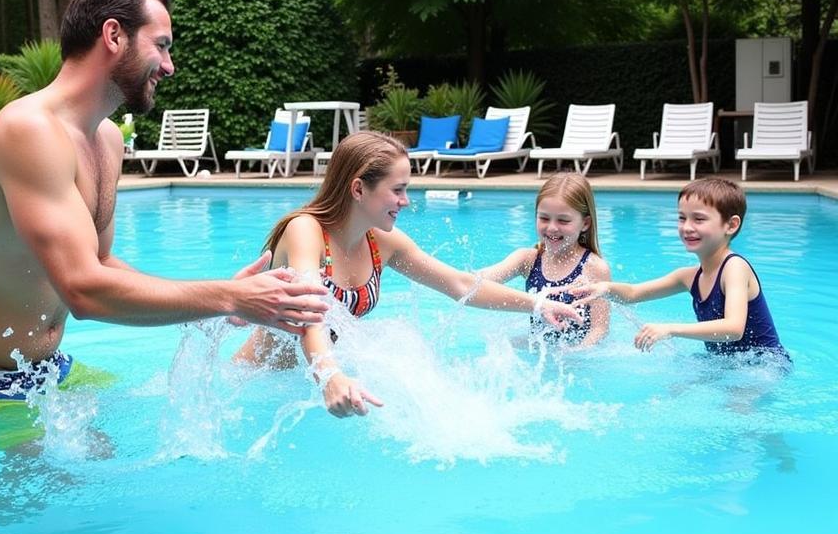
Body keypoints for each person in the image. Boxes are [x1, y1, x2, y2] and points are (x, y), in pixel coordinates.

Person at [0, 0, 328, 408]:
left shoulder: (107, 141)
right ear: (113, 35)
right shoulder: (30, 131)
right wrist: (230, 297)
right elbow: (83, 290)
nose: (169, 66)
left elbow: (98, 263)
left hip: (43, 372)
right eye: (162, 45)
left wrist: (216, 299)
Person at [233, 132, 583, 418]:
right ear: (358, 189)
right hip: (256, 385)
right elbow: (310, 311)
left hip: (315, 381)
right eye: (397, 189)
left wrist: (536, 305)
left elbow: (461, 285)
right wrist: (329, 375)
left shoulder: (381, 242)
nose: (406, 201)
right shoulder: (305, 230)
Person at [571, 177, 789, 361]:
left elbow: (734, 328)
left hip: (764, 364)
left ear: (731, 225)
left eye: (699, 219)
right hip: (726, 364)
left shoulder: (735, 268)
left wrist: (670, 329)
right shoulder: (689, 277)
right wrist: (604, 288)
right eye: (682, 218)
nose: (687, 227)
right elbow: (634, 294)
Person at [477, 171, 610, 349]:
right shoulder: (528, 259)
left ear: (585, 224)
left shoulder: (593, 267)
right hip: (539, 350)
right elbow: (478, 282)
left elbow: (599, 329)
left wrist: (575, 355)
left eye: (563, 220)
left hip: (576, 357)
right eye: (544, 218)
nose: (552, 227)